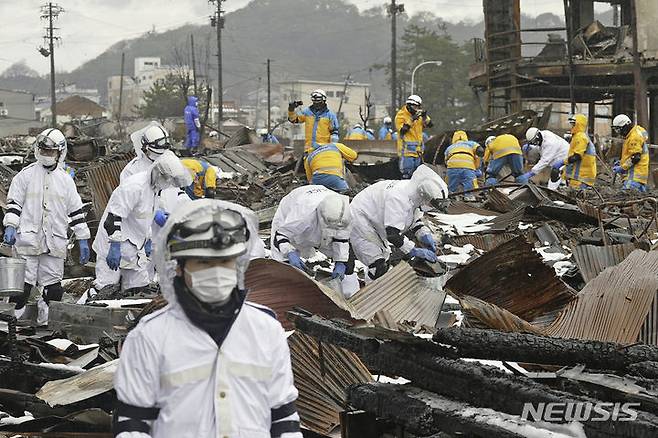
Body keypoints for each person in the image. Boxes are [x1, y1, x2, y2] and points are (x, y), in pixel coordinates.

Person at [113, 199, 302, 438]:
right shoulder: (148, 337)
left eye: (225, 261)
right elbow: (132, 425)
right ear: (179, 268)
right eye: (204, 262)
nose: (217, 271)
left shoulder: (267, 330)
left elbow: (284, 417)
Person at [3, 128, 90, 318]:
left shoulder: (66, 181)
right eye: (43, 151)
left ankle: (48, 326)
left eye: (50, 152)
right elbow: (14, 204)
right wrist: (10, 225)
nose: (46, 155)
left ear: (60, 152)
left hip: (54, 241)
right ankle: (12, 329)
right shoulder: (24, 176)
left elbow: (76, 212)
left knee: (53, 290)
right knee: (22, 289)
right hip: (28, 240)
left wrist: (83, 238)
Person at [92, 150, 192, 292]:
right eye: (167, 178)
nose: (169, 183)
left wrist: (149, 238)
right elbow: (112, 218)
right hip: (112, 244)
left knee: (139, 290)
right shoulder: (135, 186)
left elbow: (145, 218)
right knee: (105, 289)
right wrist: (114, 246)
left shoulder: (155, 190)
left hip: (134, 247)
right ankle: (82, 308)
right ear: (158, 172)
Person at [350, 164, 447, 281]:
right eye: (432, 203)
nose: (431, 206)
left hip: (373, 217)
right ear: (424, 195)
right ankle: (372, 296)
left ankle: (379, 290)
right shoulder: (398, 198)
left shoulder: (413, 194)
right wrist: (413, 250)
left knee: (383, 258)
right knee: (376, 264)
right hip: (360, 219)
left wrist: (423, 234)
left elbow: (413, 219)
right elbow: (392, 234)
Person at [271, 186, 354, 283]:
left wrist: (341, 261)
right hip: (294, 206)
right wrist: (289, 253)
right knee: (282, 263)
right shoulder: (303, 214)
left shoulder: (345, 214)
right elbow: (281, 235)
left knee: (347, 263)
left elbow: (342, 238)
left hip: (326, 214)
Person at [551, 114, 597, 189]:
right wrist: (564, 171)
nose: (572, 126)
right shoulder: (577, 137)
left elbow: (577, 156)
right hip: (578, 177)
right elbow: (574, 160)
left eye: (573, 124)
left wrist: (562, 162)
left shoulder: (581, 137)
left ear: (579, 124)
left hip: (581, 178)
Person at [395, 94, 433, 179]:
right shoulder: (401, 115)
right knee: (406, 174)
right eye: (414, 107)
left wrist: (424, 117)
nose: (416, 109)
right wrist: (411, 120)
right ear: (409, 105)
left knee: (416, 175)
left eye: (417, 107)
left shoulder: (418, 115)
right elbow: (402, 130)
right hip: (406, 152)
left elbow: (430, 125)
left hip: (418, 151)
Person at [611, 114, 649, 192]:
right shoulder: (636, 131)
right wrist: (622, 162)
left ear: (625, 127)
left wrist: (622, 168)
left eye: (618, 129)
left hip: (633, 176)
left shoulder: (633, 137)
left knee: (625, 198)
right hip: (639, 176)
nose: (618, 132)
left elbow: (635, 158)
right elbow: (633, 154)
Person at [444, 130, 483, 198]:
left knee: (451, 186)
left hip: (453, 166)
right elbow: (480, 151)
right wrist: (477, 168)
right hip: (468, 167)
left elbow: (446, 161)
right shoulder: (471, 143)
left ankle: (451, 196)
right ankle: (469, 197)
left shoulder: (450, 147)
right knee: (469, 185)